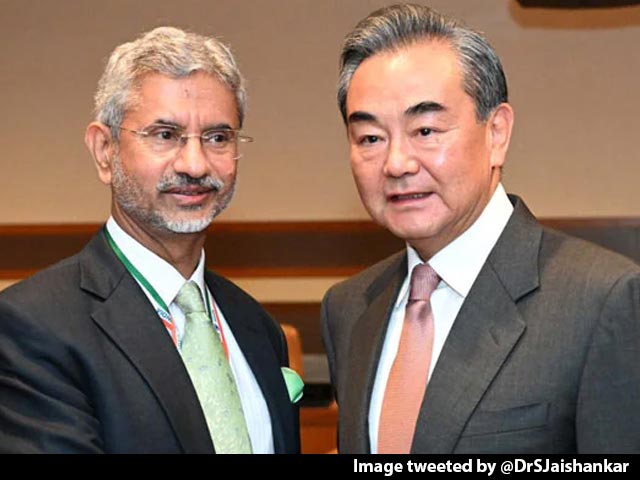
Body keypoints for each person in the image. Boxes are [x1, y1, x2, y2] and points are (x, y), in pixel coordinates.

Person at [321, 3, 640, 454]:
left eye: (425, 130)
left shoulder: (601, 300)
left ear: (497, 133)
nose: (396, 163)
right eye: (371, 138)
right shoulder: (349, 308)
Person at [0, 27, 300, 454]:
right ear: (104, 150)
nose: (194, 164)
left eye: (217, 138)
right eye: (165, 135)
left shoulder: (257, 328)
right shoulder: (34, 325)